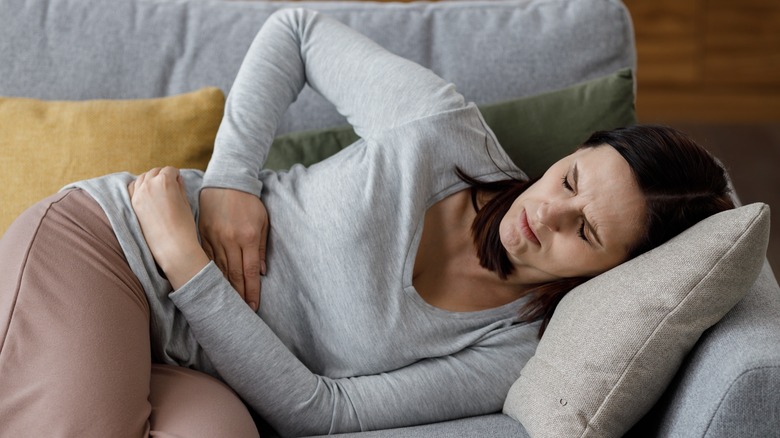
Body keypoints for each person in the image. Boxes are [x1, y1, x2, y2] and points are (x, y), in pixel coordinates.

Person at [0, 8, 734, 438]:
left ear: (613, 271)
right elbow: (296, 29)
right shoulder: (441, 132)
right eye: (570, 180)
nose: (546, 215)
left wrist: (189, 266)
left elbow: (322, 412)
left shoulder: (511, 352)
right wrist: (229, 180)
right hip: (111, 250)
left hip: (184, 341)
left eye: (587, 232)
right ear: (572, 155)